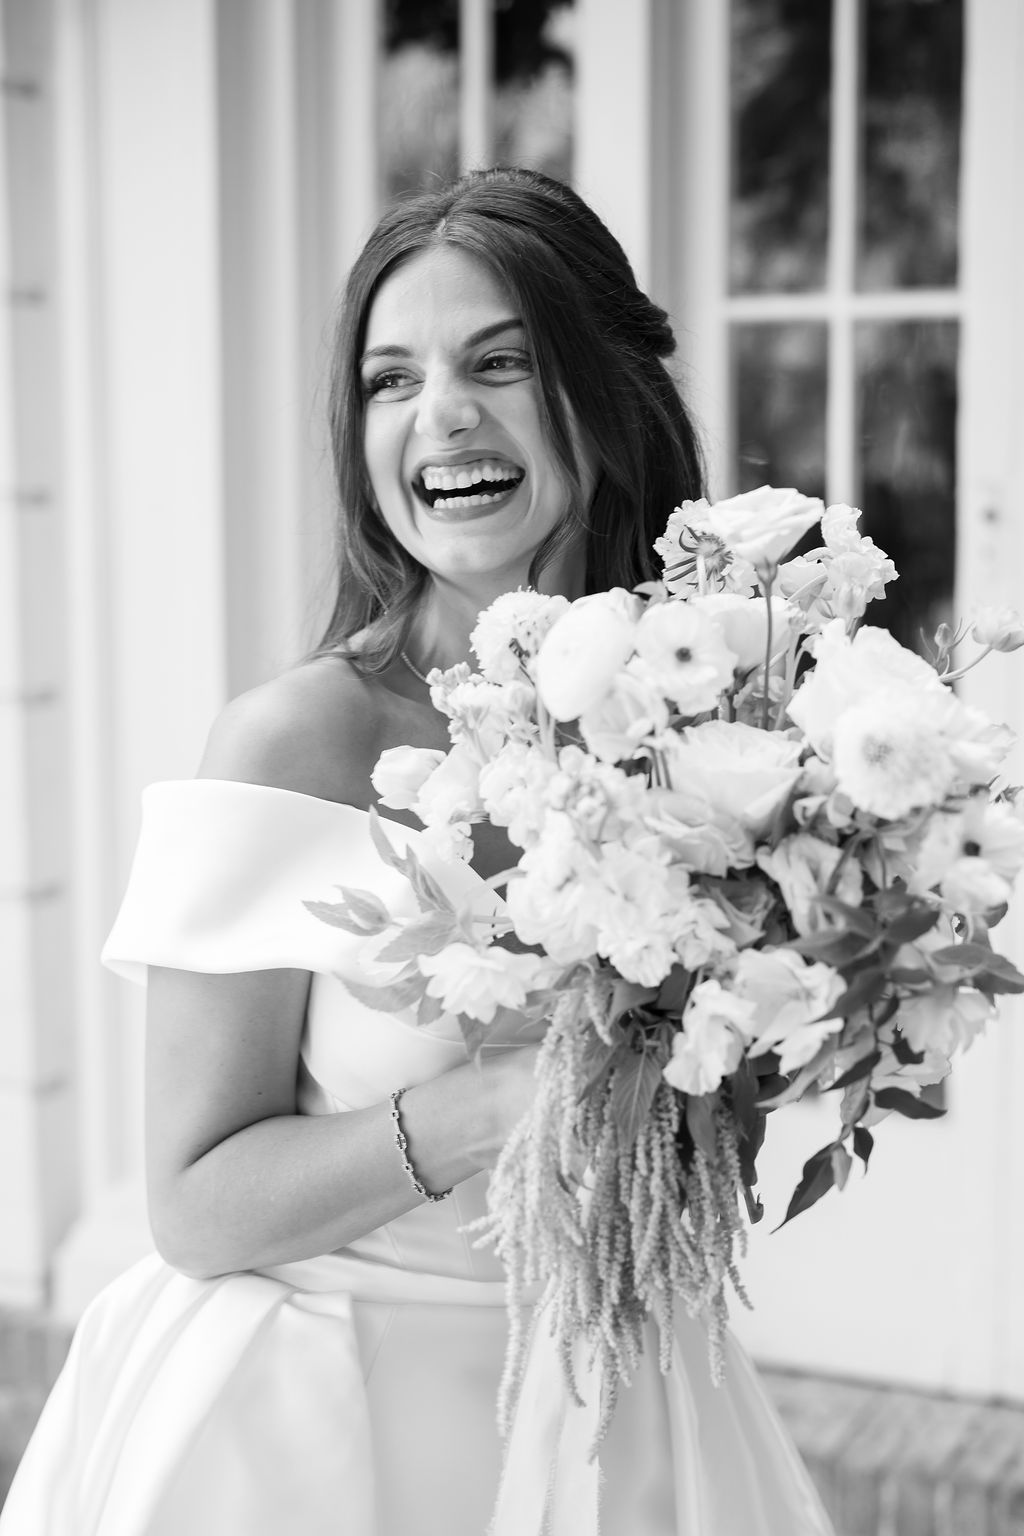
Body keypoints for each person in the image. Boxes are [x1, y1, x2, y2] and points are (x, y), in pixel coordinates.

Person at [1, 167, 834, 1535]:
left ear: (605, 396)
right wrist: (482, 1110)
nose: (441, 414)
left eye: (497, 362)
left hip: (620, 1397)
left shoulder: (721, 728)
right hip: (313, 1424)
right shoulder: (299, 737)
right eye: (392, 380)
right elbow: (196, 1207)